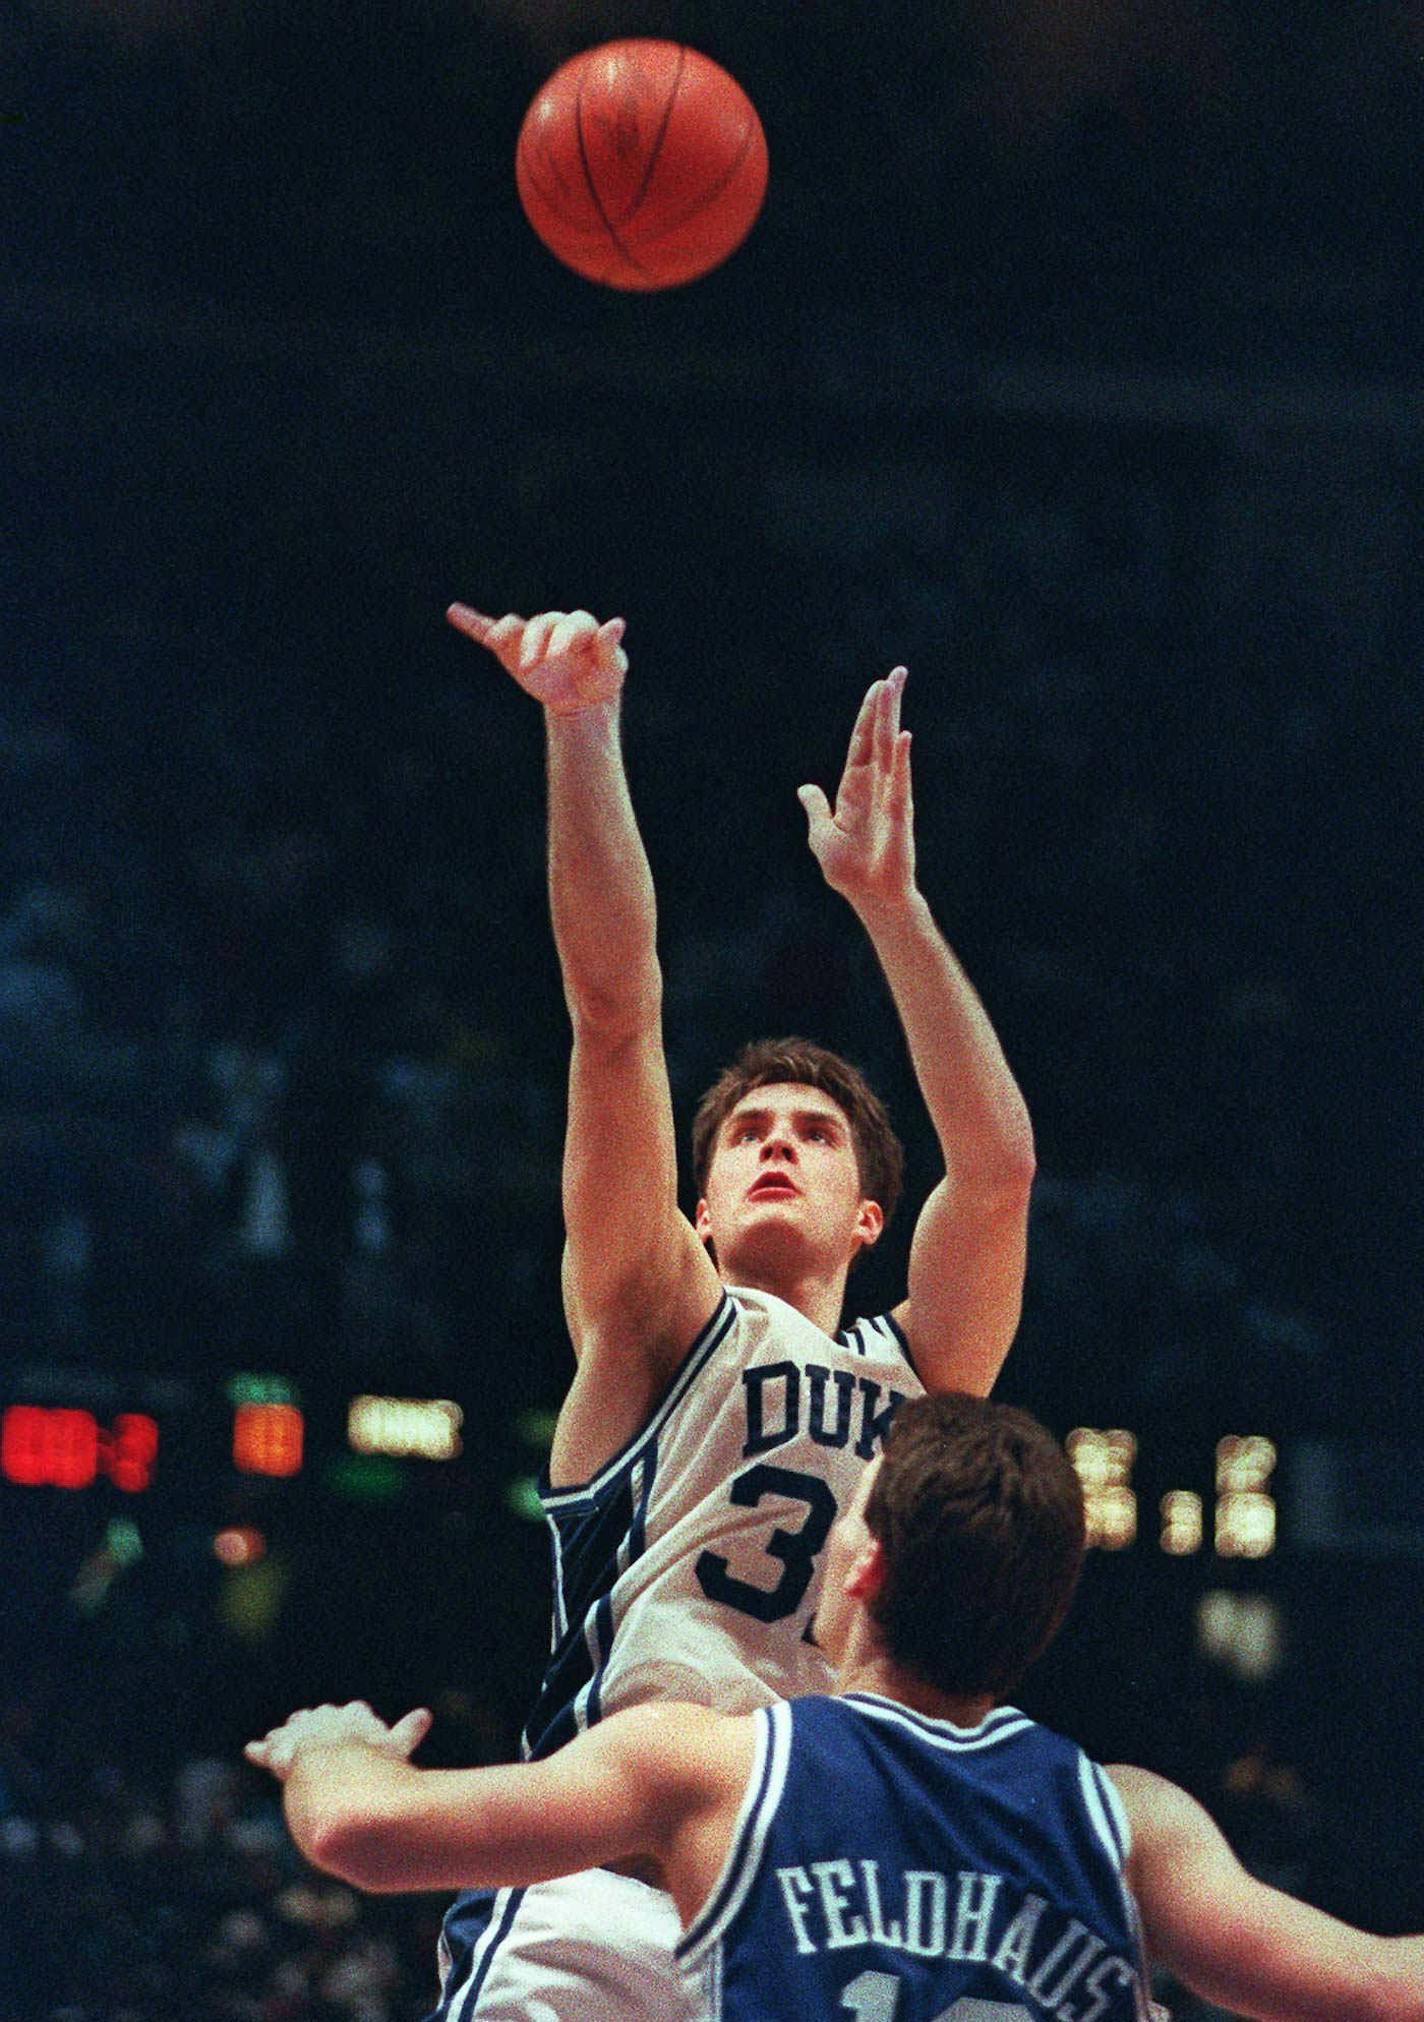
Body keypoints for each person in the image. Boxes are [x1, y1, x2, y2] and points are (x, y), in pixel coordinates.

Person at [414, 603, 1037, 2016]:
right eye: (746, 1130)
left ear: (870, 1216)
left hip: (813, 1903)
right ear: (695, 1209)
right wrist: (582, 727)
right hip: (604, 1881)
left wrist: (893, 908)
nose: (773, 1142)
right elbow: (615, 1008)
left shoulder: (919, 1367)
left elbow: (997, 1170)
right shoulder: (658, 1319)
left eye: (813, 1134)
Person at [247, 1392, 1424, 2022]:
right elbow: (1380, 1989)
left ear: (859, 1566)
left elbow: (358, 1831)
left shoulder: (713, 1767)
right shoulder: (1128, 1822)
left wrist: (332, 1749)